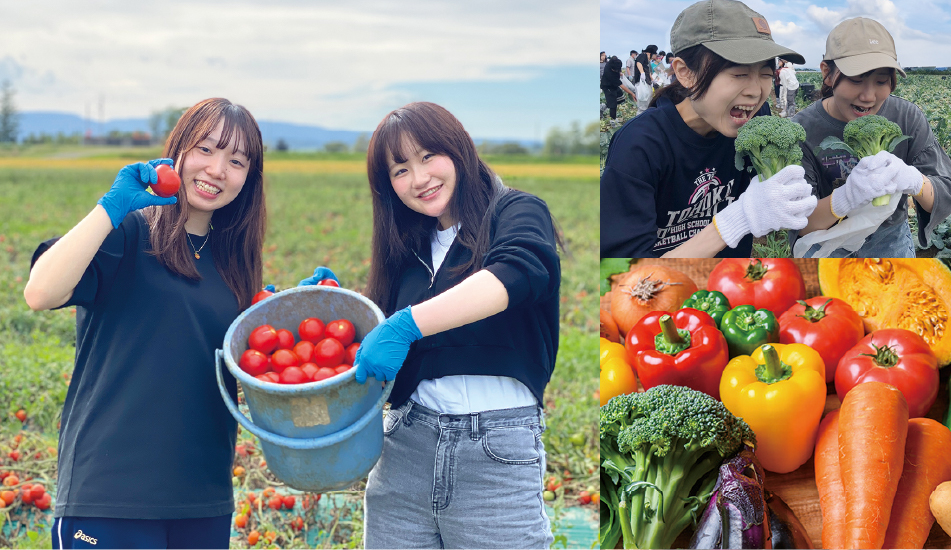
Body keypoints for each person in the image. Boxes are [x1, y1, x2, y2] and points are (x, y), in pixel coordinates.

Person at [301, 102, 561, 548]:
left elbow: (520, 272)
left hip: (495, 453)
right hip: (406, 449)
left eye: (427, 157)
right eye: (400, 170)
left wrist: (406, 324)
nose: (419, 179)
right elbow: (380, 340)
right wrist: (339, 313)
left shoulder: (515, 212)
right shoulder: (408, 245)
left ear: (458, 150)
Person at [23, 98, 266, 549]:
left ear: (249, 179)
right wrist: (110, 209)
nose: (217, 170)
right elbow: (41, 293)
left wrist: (305, 309)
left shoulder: (235, 265)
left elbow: (254, 370)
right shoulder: (129, 234)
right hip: (110, 496)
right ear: (180, 150)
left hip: (203, 501)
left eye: (236, 161)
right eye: (206, 150)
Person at [600, 0, 817, 258]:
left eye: (766, 74)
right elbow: (626, 278)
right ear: (685, 73)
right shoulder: (640, 145)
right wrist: (736, 220)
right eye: (738, 73)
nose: (756, 91)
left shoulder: (756, 122)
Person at [791, 17, 951, 257]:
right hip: (827, 242)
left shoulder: (906, 117)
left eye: (881, 81)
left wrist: (915, 181)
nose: (868, 96)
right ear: (827, 74)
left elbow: (948, 189)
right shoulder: (802, 129)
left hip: (890, 239)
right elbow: (801, 223)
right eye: (855, 79)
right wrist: (845, 198)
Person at [602, 55, 626, 121]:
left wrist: (620, 72)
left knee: (621, 98)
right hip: (607, 86)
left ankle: (604, 106)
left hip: (613, 86)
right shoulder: (609, 72)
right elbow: (620, 84)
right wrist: (631, 93)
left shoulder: (613, 63)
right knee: (613, 104)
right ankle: (613, 120)